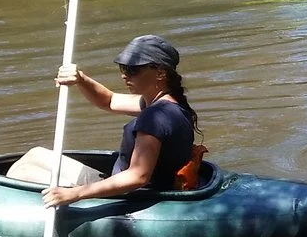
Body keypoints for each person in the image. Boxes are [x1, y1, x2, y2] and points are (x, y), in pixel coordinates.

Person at [43, 34, 200, 205]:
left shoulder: (154, 117)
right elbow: (109, 101)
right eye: (123, 68)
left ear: (161, 73)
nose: (125, 76)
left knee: (24, 170)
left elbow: (138, 176)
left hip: (130, 194)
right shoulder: (167, 105)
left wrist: (76, 194)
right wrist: (81, 79)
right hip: (128, 184)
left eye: (133, 70)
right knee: (36, 155)